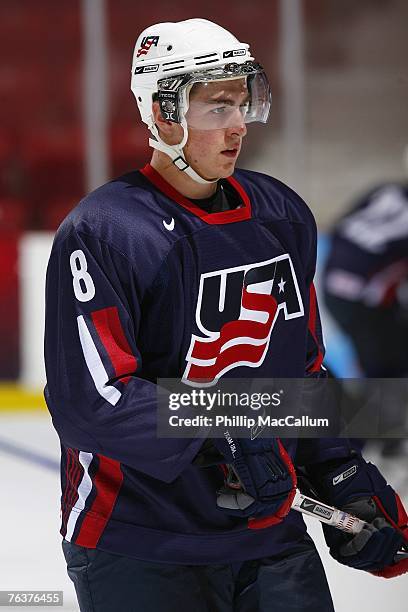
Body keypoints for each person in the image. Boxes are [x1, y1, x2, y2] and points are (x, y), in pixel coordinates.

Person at [44, 19, 408, 612]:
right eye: (217, 107)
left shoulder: (280, 215)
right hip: (142, 541)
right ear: (164, 113)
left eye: (244, 102)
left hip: (269, 536)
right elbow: (92, 402)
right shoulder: (106, 231)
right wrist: (221, 428)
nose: (238, 123)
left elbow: (303, 371)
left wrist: (339, 471)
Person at [323, 181, 408, 455]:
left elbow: (341, 227)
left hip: (335, 284)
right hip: (362, 295)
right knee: (387, 366)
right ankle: (379, 443)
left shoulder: (387, 190)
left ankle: (379, 437)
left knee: (382, 363)